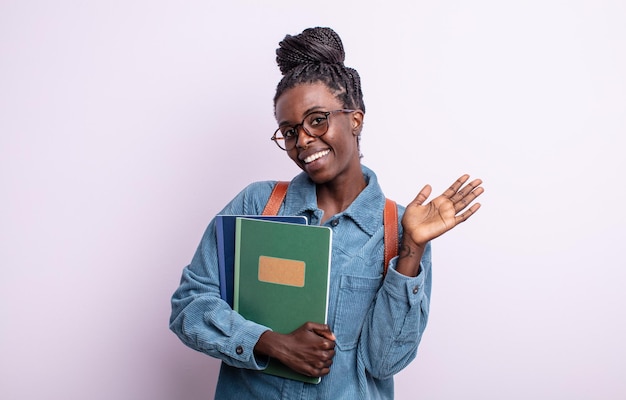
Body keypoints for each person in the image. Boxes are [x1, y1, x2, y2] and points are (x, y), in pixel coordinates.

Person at [170, 26, 484, 399]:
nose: (302, 140)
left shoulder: (401, 229)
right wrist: (270, 342)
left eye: (317, 120)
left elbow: (385, 362)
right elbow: (189, 305)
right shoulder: (258, 205)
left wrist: (411, 249)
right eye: (288, 131)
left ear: (355, 119)